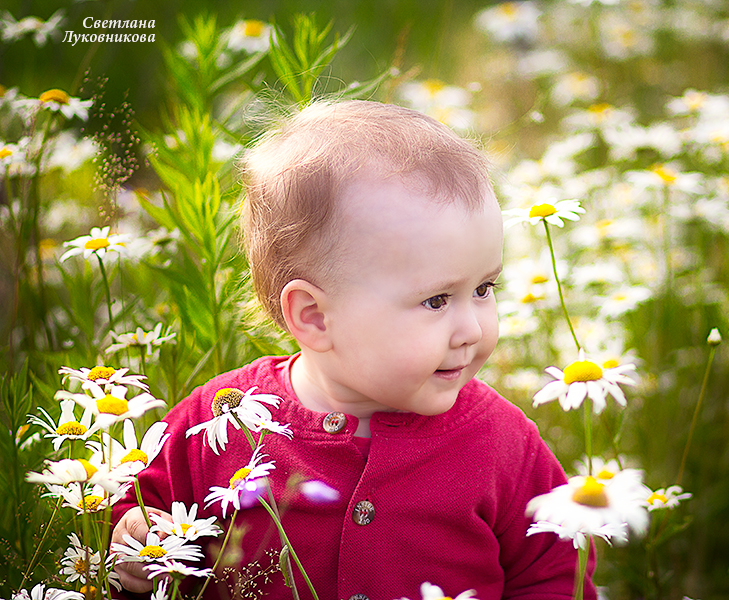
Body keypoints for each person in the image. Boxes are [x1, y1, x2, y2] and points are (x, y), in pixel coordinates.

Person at [110, 100, 596, 600]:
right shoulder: (220, 423)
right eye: (436, 299)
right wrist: (136, 540)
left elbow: (556, 575)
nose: (472, 328)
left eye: (484, 288)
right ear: (315, 317)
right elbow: (139, 505)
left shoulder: (503, 444)